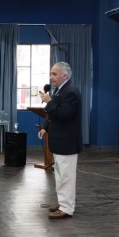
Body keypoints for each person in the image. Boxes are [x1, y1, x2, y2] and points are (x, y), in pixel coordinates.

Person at [38, 62, 83, 220]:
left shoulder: (71, 92)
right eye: (51, 74)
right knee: (60, 175)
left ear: (65, 75)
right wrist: (46, 128)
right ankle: (64, 203)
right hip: (60, 142)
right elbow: (54, 115)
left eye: (54, 74)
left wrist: (49, 102)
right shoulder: (59, 91)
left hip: (68, 142)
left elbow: (64, 114)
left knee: (66, 177)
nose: (51, 77)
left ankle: (67, 208)